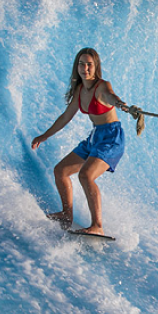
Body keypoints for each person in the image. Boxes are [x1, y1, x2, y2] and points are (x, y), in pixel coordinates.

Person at [31, 47, 128, 236]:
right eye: (81, 64)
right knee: (61, 171)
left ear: (96, 66)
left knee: (86, 175)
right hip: (95, 137)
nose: (85, 68)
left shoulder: (102, 86)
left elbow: (111, 96)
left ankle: (97, 226)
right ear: (77, 67)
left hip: (111, 138)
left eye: (89, 64)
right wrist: (44, 136)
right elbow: (65, 117)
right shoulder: (80, 90)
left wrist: (121, 104)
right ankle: (67, 215)